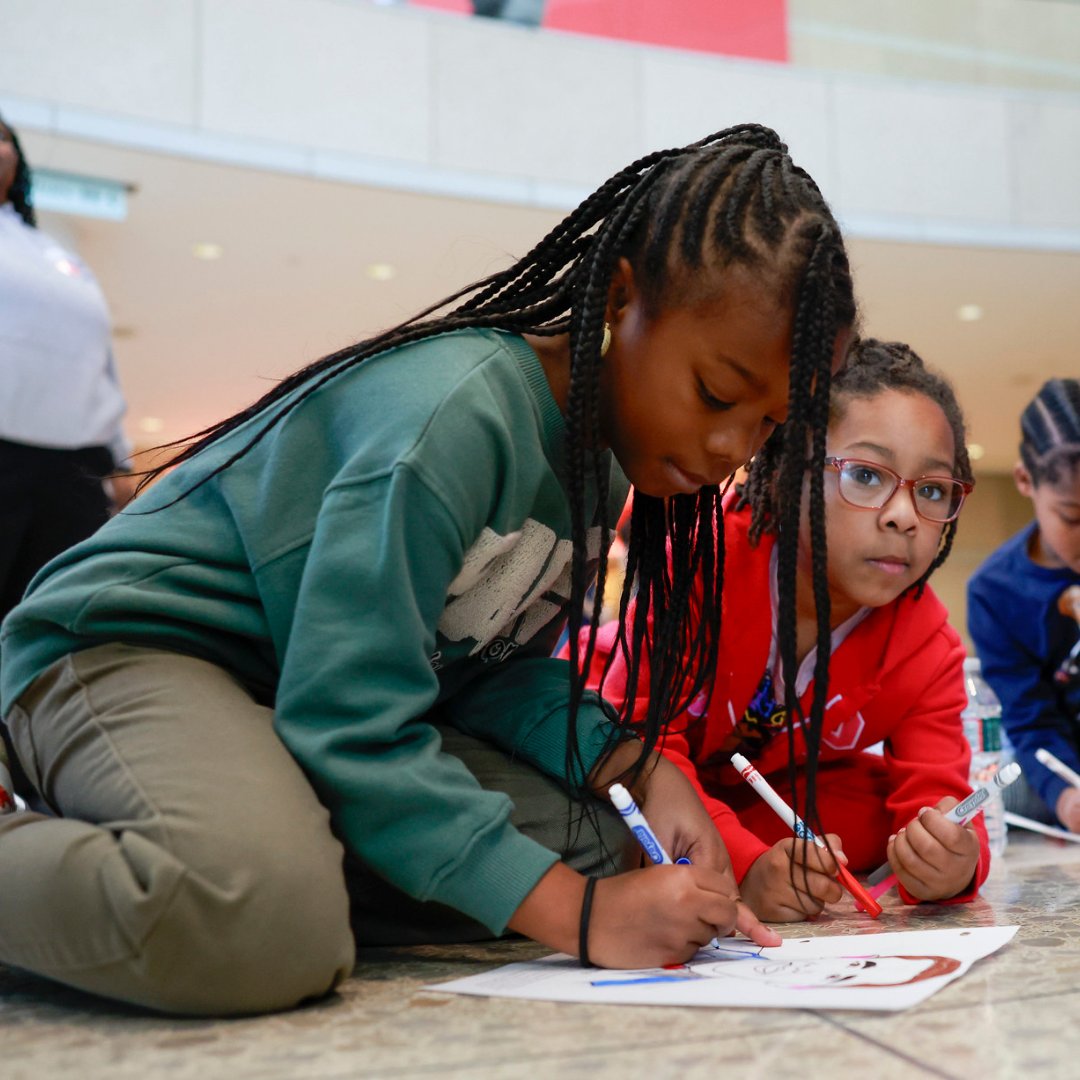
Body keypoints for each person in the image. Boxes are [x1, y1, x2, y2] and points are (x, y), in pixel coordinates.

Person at [0, 124, 855, 1016]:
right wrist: (583, 917)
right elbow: (350, 717)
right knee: (258, 925)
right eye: (717, 394)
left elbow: (483, 668)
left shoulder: (604, 461)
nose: (727, 448)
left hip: (292, 703)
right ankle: (239, 880)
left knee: (611, 849)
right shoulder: (448, 420)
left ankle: (249, 853)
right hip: (132, 653)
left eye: (765, 431)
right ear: (623, 298)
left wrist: (639, 766)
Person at [583, 340, 989, 921]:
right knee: (602, 807)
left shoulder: (929, 644)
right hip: (621, 749)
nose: (903, 515)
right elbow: (644, 740)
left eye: (931, 490)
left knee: (883, 810)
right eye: (868, 475)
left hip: (760, 790)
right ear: (788, 471)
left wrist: (951, 859)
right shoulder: (701, 561)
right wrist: (744, 866)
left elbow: (935, 789)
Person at [0, 113, 136, 627]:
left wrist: (121, 464)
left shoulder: (56, 256)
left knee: (49, 619)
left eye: (3, 138)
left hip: (74, 467)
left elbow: (100, 360)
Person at [968, 378, 1080, 830]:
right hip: (1059, 771)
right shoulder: (996, 590)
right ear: (1024, 480)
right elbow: (1029, 719)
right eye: (1072, 517)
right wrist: (1068, 799)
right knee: (998, 793)